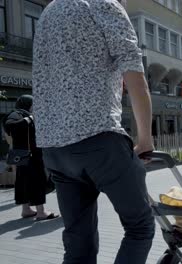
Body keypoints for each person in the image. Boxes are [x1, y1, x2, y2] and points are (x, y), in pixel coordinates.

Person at [32, 1, 155, 263]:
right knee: (140, 226)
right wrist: (145, 138)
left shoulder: (48, 12)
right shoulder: (103, 4)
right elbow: (135, 76)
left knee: (78, 242)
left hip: (54, 148)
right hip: (98, 139)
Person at [3, 95, 59, 221]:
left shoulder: (22, 114)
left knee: (23, 182)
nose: (34, 107)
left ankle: (26, 210)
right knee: (38, 181)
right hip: (30, 156)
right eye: (33, 104)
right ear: (27, 104)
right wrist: (30, 119)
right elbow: (9, 125)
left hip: (24, 155)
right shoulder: (18, 114)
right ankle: (41, 212)